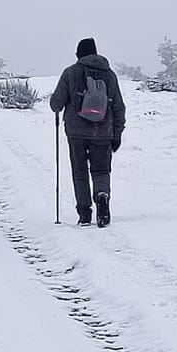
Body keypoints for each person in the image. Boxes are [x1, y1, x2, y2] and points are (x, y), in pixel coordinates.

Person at [49, 37, 126, 227]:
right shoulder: (109, 75)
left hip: (76, 132)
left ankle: (84, 213)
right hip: (103, 130)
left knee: (80, 171)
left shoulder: (70, 72)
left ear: (79, 54)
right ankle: (102, 195)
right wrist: (117, 132)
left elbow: (56, 104)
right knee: (101, 170)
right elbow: (118, 107)